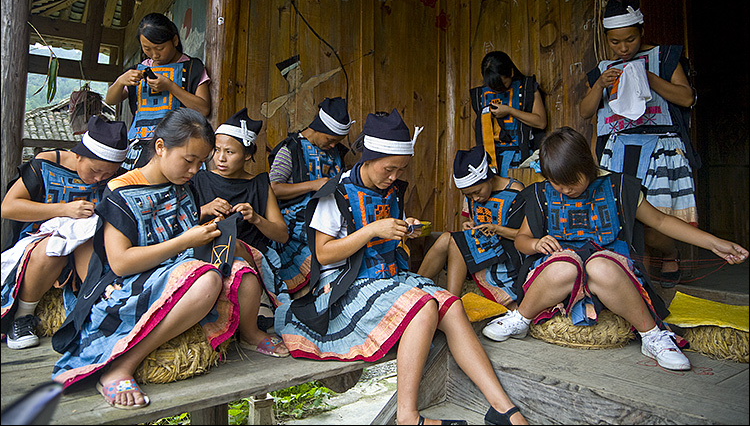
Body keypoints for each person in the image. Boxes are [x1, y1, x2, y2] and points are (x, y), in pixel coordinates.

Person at [274, 109, 527, 426]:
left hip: (388, 277)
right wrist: (372, 231)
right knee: (423, 308)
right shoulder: (336, 193)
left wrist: (404, 228)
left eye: (401, 169)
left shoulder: (392, 190)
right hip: (346, 285)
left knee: (451, 305)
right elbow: (323, 255)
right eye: (389, 168)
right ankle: (408, 417)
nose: (394, 176)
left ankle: (502, 408)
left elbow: (387, 236)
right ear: (368, 158)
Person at [50, 108, 287, 410]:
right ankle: (122, 365)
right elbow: (121, 263)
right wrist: (185, 241)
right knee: (207, 280)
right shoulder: (121, 190)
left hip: (175, 270)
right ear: (160, 148)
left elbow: (185, 235)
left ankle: (250, 333)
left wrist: (216, 239)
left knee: (244, 273)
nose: (195, 169)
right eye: (189, 160)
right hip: (129, 282)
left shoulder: (183, 187)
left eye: (201, 162)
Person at [482, 127, 748, 371]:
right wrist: (536, 243)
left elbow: (661, 221)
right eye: (557, 183)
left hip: (610, 275)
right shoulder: (541, 193)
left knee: (599, 266)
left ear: (588, 166)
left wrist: (716, 244)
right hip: (558, 276)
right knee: (566, 266)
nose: (565, 189)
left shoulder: (618, 186)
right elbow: (521, 240)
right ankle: (521, 317)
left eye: (572, 181)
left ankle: (652, 335)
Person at [579, 0, 700, 287]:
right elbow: (585, 112)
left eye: (630, 40)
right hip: (617, 149)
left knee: (657, 217)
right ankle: (639, 276)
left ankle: (670, 254)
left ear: (642, 31)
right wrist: (599, 85)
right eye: (615, 42)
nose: (623, 48)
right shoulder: (603, 69)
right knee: (624, 216)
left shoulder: (664, 57)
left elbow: (687, 98)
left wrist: (647, 77)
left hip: (660, 148)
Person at [1, 115, 128, 350]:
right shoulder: (45, 164)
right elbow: (8, 207)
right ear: (78, 154)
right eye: (95, 170)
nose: (99, 178)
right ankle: (21, 317)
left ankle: (93, 312)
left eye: (107, 174)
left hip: (89, 247)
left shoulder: (120, 177)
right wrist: (63, 210)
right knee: (55, 247)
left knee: (87, 238)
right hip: (41, 241)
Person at [191, 108, 291, 312]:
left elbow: (282, 235)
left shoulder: (260, 185)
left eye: (229, 152)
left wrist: (256, 218)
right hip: (203, 251)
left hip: (248, 254)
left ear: (247, 155)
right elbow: (178, 222)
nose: (220, 158)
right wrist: (204, 210)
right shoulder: (199, 179)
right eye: (216, 150)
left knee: (232, 244)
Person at [417, 146, 525, 306]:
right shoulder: (472, 196)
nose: (475, 198)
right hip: (483, 246)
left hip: (506, 252)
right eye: (468, 195)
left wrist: (495, 229)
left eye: (477, 191)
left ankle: (451, 303)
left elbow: (524, 235)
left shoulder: (516, 192)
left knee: (456, 241)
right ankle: (415, 287)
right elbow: (476, 221)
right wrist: (470, 225)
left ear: (489, 177)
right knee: (447, 237)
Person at [268, 97, 353, 296]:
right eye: (330, 140)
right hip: (297, 220)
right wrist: (313, 185)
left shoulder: (336, 153)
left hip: (330, 215)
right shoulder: (290, 149)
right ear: (318, 127)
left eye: (336, 142)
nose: (333, 146)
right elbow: (273, 188)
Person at [105, 12, 211, 170]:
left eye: (159, 48)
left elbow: (203, 109)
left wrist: (170, 86)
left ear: (174, 40)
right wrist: (120, 81)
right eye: (147, 49)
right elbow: (110, 100)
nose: (154, 54)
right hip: (141, 150)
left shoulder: (193, 68)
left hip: (181, 146)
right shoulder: (138, 70)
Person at [470, 51, 547, 177]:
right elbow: (477, 125)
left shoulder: (527, 87)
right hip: (492, 161)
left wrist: (509, 111)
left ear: (511, 72)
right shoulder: (482, 94)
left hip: (522, 158)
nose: (498, 90)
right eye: (493, 87)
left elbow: (541, 122)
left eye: (502, 84)